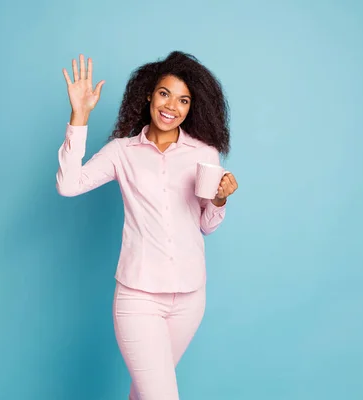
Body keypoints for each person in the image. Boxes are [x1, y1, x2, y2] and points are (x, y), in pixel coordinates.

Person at [56, 51, 238, 400]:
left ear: (191, 108)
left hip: (189, 297)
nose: (172, 106)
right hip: (138, 297)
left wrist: (218, 200)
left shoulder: (204, 153)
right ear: (149, 96)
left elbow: (207, 225)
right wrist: (79, 118)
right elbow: (69, 185)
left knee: (145, 394)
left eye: (184, 100)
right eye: (165, 93)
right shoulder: (122, 152)